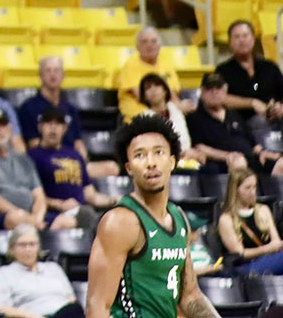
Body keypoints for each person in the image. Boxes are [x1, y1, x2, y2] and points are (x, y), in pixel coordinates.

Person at [85, 114, 216, 318]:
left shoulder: (179, 218)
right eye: (139, 155)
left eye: (158, 153)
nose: (151, 163)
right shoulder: (121, 221)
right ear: (129, 168)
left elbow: (190, 296)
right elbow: (97, 307)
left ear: (172, 161)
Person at [0, 108, 72, 230]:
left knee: (68, 222)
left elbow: (39, 195)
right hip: (1, 216)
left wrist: (36, 218)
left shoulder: (23, 158)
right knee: (15, 219)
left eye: (2, 125)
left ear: (9, 129)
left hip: (31, 216)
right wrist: (25, 217)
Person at [216, 20, 283, 139]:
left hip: (278, 116)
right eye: (236, 37)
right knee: (260, 124)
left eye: (245, 36)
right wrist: (252, 103)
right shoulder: (223, 70)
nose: (241, 40)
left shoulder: (269, 66)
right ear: (230, 42)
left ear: (253, 39)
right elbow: (220, 98)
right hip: (246, 119)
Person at [216, 164, 283, 276]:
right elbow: (239, 253)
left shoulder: (263, 210)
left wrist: (281, 245)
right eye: (247, 188)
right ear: (235, 190)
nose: (252, 191)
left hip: (268, 260)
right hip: (245, 266)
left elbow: (275, 240)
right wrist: (266, 250)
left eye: (254, 187)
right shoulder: (226, 219)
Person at [187, 73, 283, 175]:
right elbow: (199, 147)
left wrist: (263, 152)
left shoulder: (234, 114)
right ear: (202, 92)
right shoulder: (194, 118)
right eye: (209, 89)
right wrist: (226, 156)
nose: (215, 92)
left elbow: (250, 141)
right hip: (223, 163)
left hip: (251, 159)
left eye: (218, 88)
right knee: (239, 163)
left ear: (225, 90)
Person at [27, 107, 113, 226]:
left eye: (58, 123)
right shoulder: (32, 156)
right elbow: (31, 196)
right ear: (40, 127)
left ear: (65, 128)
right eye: (48, 123)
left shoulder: (75, 155)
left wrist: (114, 200)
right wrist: (60, 204)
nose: (53, 127)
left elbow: (90, 195)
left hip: (82, 211)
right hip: (54, 214)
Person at [0, 223, 86, 318]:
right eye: (22, 245)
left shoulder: (53, 268)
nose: (28, 249)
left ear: (38, 247)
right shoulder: (3, 274)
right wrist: (30, 316)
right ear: (12, 249)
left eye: (32, 244)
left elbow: (71, 299)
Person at [117, 27, 187, 119]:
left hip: (162, 109)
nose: (149, 45)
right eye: (144, 42)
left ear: (159, 46)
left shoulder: (166, 64)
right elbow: (140, 96)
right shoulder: (130, 65)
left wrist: (179, 107)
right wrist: (163, 108)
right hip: (138, 114)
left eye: (153, 41)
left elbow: (173, 93)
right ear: (137, 47)